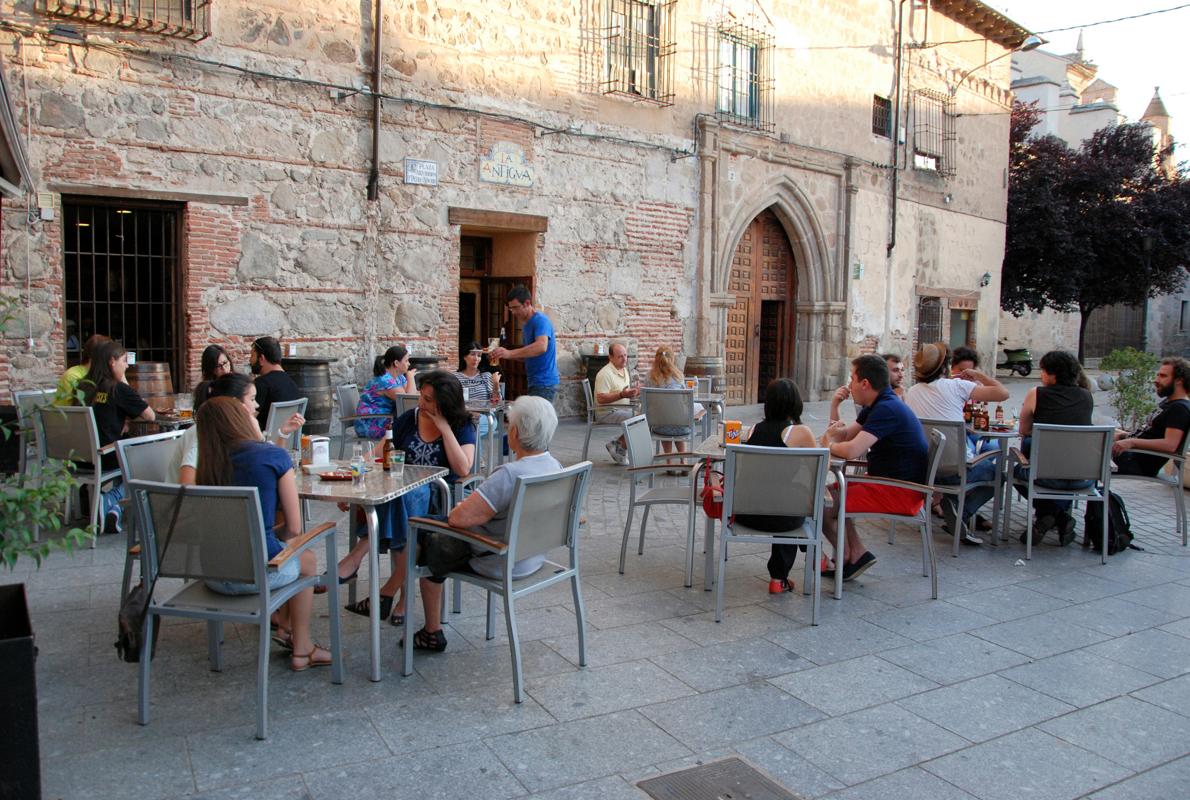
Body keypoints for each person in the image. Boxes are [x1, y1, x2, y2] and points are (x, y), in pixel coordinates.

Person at [406, 395, 562, 652]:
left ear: (513, 433)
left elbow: (458, 519)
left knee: (426, 534)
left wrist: (459, 509)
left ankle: (431, 630)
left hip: (497, 559)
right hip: (532, 557)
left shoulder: (510, 474)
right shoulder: (555, 467)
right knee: (436, 529)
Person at [195, 397, 331, 671]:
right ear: (239, 420)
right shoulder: (272, 457)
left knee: (287, 551)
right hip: (255, 575)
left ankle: (285, 627)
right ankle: (302, 648)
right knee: (306, 557)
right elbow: (294, 528)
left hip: (214, 576)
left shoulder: (207, 465)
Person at [338, 370, 476, 626]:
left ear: (445, 403)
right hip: (402, 498)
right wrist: (350, 479)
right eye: (421, 397)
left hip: (440, 498)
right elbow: (377, 453)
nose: (421, 404)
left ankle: (362, 562)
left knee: (409, 495)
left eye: (428, 400)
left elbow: (463, 469)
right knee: (400, 497)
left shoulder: (462, 425)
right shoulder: (408, 419)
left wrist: (445, 429)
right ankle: (396, 597)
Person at [819, 355, 929, 581]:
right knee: (831, 494)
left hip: (900, 491)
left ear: (865, 383)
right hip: (886, 482)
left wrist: (826, 445)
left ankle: (853, 553)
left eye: (852, 379)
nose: (850, 385)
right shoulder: (879, 404)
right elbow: (845, 436)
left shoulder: (887, 409)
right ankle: (852, 554)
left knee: (821, 504)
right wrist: (833, 411)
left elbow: (850, 450)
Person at [904, 341, 1010, 543]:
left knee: (958, 467)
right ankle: (964, 513)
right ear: (945, 366)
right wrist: (978, 375)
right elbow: (1003, 394)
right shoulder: (957, 386)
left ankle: (951, 505)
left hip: (927, 469)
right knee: (999, 473)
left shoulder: (912, 392)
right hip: (956, 470)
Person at [735, 378, 817, 594]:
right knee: (797, 499)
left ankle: (816, 557)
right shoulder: (801, 432)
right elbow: (819, 470)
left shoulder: (751, 430)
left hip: (745, 513)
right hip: (781, 518)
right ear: (796, 403)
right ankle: (781, 575)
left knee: (786, 497)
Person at [1015, 350, 1095, 545]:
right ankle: (1059, 516)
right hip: (1081, 478)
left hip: (1045, 476)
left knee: (1014, 470)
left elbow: (1024, 429)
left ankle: (1050, 514)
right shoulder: (1086, 396)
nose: (1041, 375)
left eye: (1042, 370)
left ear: (1053, 373)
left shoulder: (1037, 393)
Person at [172, 372, 305, 484]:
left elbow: (272, 463)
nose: (257, 405)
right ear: (236, 404)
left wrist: (282, 434)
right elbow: (186, 486)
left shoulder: (229, 427)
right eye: (252, 399)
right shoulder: (205, 432)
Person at [81, 340, 156, 533]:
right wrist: (123, 380)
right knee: (150, 459)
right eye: (124, 360)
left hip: (80, 457)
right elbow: (150, 416)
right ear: (111, 362)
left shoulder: (83, 387)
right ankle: (110, 499)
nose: (127, 365)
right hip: (106, 455)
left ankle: (112, 510)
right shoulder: (117, 388)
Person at [1112, 357, 1190, 477]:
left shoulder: (1179, 408)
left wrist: (1131, 442)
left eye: (1163, 376)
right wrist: (1123, 435)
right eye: (1157, 375)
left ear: (1179, 380)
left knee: (1081, 454)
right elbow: (1150, 433)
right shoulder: (1168, 403)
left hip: (1135, 461)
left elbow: (1170, 445)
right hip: (1128, 455)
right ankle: (1102, 494)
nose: (1156, 380)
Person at [489, 286, 558, 401]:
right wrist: (503, 354)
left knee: (538, 418)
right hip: (534, 381)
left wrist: (510, 353)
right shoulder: (526, 325)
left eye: (516, 307)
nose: (513, 312)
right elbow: (529, 355)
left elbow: (541, 346)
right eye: (511, 309)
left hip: (544, 383)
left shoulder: (541, 320)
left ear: (527, 303)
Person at [643, 347, 704, 458]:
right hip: (682, 427)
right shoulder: (679, 377)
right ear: (672, 359)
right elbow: (684, 403)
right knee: (679, 417)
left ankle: (669, 461)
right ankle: (683, 460)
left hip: (658, 426)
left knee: (664, 415)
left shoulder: (648, 378)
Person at [354, 345, 419, 441]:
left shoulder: (399, 377)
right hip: (372, 423)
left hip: (385, 419)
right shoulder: (385, 380)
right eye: (406, 361)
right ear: (396, 363)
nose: (409, 364)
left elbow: (412, 394)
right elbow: (407, 402)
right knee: (411, 428)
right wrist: (410, 376)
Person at [593, 342, 640, 464]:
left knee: (644, 415)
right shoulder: (605, 374)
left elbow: (625, 392)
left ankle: (617, 445)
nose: (624, 359)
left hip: (622, 408)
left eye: (625, 355)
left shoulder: (623, 370)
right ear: (610, 357)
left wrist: (635, 392)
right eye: (620, 356)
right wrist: (622, 394)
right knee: (640, 419)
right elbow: (601, 398)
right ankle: (619, 447)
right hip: (607, 412)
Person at [828, 353, 904, 422]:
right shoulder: (874, 401)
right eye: (895, 370)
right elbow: (846, 434)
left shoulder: (886, 405)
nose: (901, 375)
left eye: (902, 370)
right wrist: (835, 405)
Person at [251, 336, 300, 431]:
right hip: (285, 440)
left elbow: (249, 419)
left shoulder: (261, 383)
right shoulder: (292, 383)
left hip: (264, 442)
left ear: (261, 358)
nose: (250, 360)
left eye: (252, 355)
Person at [54, 334, 110, 406]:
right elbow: (81, 404)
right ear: (95, 356)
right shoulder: (73, 375)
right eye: (108, 355)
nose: (111, 360)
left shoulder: (102, 374)